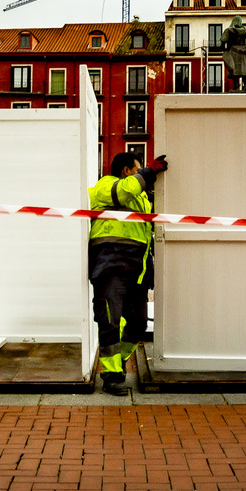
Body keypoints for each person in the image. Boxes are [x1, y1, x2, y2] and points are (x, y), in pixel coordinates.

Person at [88, 151, 167, 395]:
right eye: (137, 169)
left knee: (139, 323)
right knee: (109, 321)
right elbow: (124, 191)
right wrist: (149, 172)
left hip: (136, 269)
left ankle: (118, 361)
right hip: (110, 266)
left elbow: (145, 235)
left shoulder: (140, 198)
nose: (141, 174)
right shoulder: (104, 186)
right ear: (126, 171)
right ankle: (111, 376)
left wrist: (149, 269)